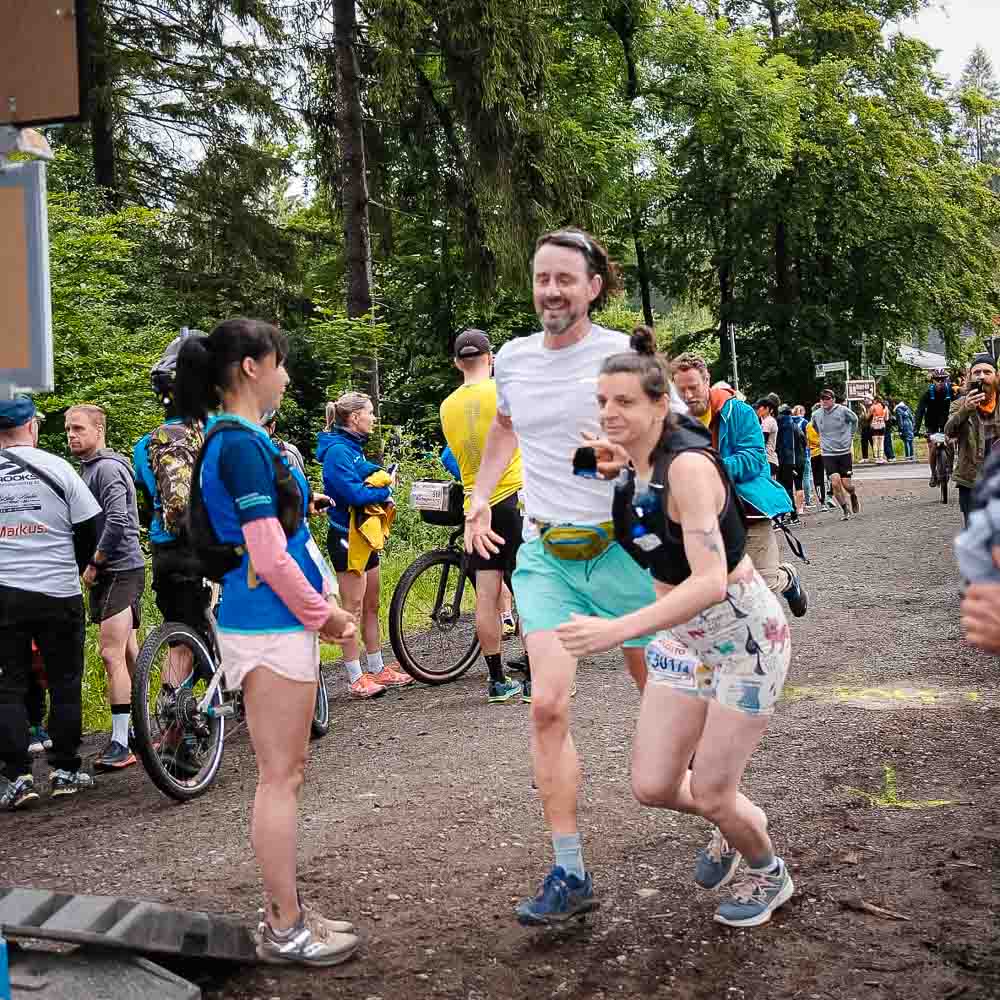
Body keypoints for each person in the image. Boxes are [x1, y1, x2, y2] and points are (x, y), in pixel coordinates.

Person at [465, 227, 680, 925]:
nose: (550, 290)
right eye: (541, 278)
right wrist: (479, 492)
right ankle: (569, 869)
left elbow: (680, 444)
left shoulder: (621, 357)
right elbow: (504, 426)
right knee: (547, 704)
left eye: (565, 278)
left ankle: (720, 816)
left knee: (666, 693)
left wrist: (629, 454)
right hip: (547, 556)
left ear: (593, 286)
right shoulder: (517, 359)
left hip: (625, 550)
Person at [556, 329, 794, 928]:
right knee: (654, 785)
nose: (610, 414)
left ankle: (768, 870)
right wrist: (608, 466)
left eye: (626, 403)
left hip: (743, 642)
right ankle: (736, 818)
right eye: (603, 402)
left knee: (713, 791)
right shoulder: (633, 460)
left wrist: (617, 631)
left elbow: (710, 579)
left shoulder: (687, 468)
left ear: (662, 405)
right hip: (684, 647)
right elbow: (627, 511)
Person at [173, 318, 360, 966]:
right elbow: (267, 554)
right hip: (272, 625)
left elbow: (286, 537)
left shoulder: (245, 439)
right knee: (280, 778)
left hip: (272, 621)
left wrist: (323, 595)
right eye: (279, 363)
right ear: (252, 368)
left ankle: (288, 910)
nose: (286, 375)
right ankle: (283, 926)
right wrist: (325, 616)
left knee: (285, 775)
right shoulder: (241, 444)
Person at [0, 396, 101, 809]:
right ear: (31, 427)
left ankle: (17, 778)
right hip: (58, 591)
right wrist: (76, 567)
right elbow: (91, 528)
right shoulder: (60, 468)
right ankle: (64, 770)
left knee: (7, 687)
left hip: (5, 593)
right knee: (63, 682)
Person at [670, 357, 806, 616]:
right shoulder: (673, 422)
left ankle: (787, 577)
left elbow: (755, 459)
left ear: (707, 381)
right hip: (703, 517)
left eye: (693, 388)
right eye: (681, 390)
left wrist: (708, 467)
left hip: (748, 508)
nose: (687, 396)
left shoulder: (738, 412)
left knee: (761, 585)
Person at [440, 329, 526, 704]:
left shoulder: (446, 406)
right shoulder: (504, 393)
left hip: (476, 510)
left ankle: (497, 680)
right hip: (513, 500)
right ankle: (538, 678)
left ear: (458, 362)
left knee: (487, 596)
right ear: (491, 358)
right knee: (530, 590)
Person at [133, 331, 213, 707]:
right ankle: (180, 721)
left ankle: (171, 721)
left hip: (164, 550)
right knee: (207, 628)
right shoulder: (212, 435)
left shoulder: (142, 445)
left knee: (181, 634)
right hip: (203, 547)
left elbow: (149, 503)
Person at [66, 404, 146, 771]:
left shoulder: (109, 469)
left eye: (79, 428)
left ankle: (120, 743)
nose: (71, 435)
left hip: (119, 569)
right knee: (130, 653)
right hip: (112, 570)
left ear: (99, 430)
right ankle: (141, 728)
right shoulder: (88, 471)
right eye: (68, 429)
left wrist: (95, 561)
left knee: (110, 653)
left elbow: (118, 519)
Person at [317, 393, 413, 698]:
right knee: (352, 609)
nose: (374, 418)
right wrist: (383, 494)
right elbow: (354, 495)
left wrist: (381, 477)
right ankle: (355, 676)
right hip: (346, 538)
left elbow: (367, 472)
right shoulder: (336, 452)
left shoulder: (353, 449)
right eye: (370, 413)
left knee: (372, 604)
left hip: (365, 536)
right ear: (354, 418)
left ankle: (377, 667)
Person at [944, 353, 1000, 528]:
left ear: (996, 376)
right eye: (977, 372)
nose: (981, 376)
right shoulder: (959, 404)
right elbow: (949, 432)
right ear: (970, 377)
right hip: (971, 480)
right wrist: (965, 411)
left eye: (987, 372)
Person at [811, 389, 860, 521]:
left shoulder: (843, 411)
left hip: (844, 452)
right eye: (822, 399)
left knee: (846, 485)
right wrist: (824, 439)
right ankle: (845, 509)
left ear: (833, 399)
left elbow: (855, 420)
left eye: (827, 398)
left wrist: (851, 435)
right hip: (827, 453)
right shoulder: (816, 414)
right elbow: (815, 428)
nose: (825, 401)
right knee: (835, 483)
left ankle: (853, 494)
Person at [914, 368, 958, 487]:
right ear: (933, 381)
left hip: (947, 423)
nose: (940, 382)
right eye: (937, 380)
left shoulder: (952, 392)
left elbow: (959, 408)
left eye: (943, 379)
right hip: (931, 424)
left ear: (946, 379)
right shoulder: (927, 394)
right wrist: (916, 429)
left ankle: (950, 468)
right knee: (933, 447)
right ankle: (933, 474)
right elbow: (919, 412)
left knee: (950, 444)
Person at [775, 405, 806, 522]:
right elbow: (804, 442)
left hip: (788, 460)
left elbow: (784, 445)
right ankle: (797, 511)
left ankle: (792, 513)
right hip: (799, 459)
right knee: (798, 485)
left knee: (785, 486)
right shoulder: (795, 426)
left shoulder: (782, 425)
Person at [805, 408, 829, 509]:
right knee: (831, 474)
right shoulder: (825, 423)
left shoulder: (808, 426)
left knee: (818, 479)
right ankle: (830, 495)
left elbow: (808, 440)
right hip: (826, 452)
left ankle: (822, 501)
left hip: (814, 454)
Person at [755, 399, 779, 478]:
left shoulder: (768, 421)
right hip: (770, 460)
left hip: (767, 460)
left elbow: (762, 441)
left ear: (767, 409)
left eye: (759, 407)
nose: (757, 410)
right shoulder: (767, 421)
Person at [868, 397, 888, 464]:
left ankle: (876, 458)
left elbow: (867, 416)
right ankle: (881, 458)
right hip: (882, 425)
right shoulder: (885, 407)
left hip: (874, 426)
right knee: (881, 442)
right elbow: (887, 419)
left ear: (876, 400)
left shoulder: (873, 407)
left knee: (875, 442)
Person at [858, 396, 873, 462]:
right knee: (864, 442)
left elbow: (866, 417)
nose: (864, 400)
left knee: (872, 442)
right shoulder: (864, 407)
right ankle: (865, 457)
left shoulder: (872, 407)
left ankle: (876, 456)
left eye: (866, 398)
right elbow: (861, 417)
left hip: (870, 427)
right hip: (864, 427)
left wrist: (863, 409)